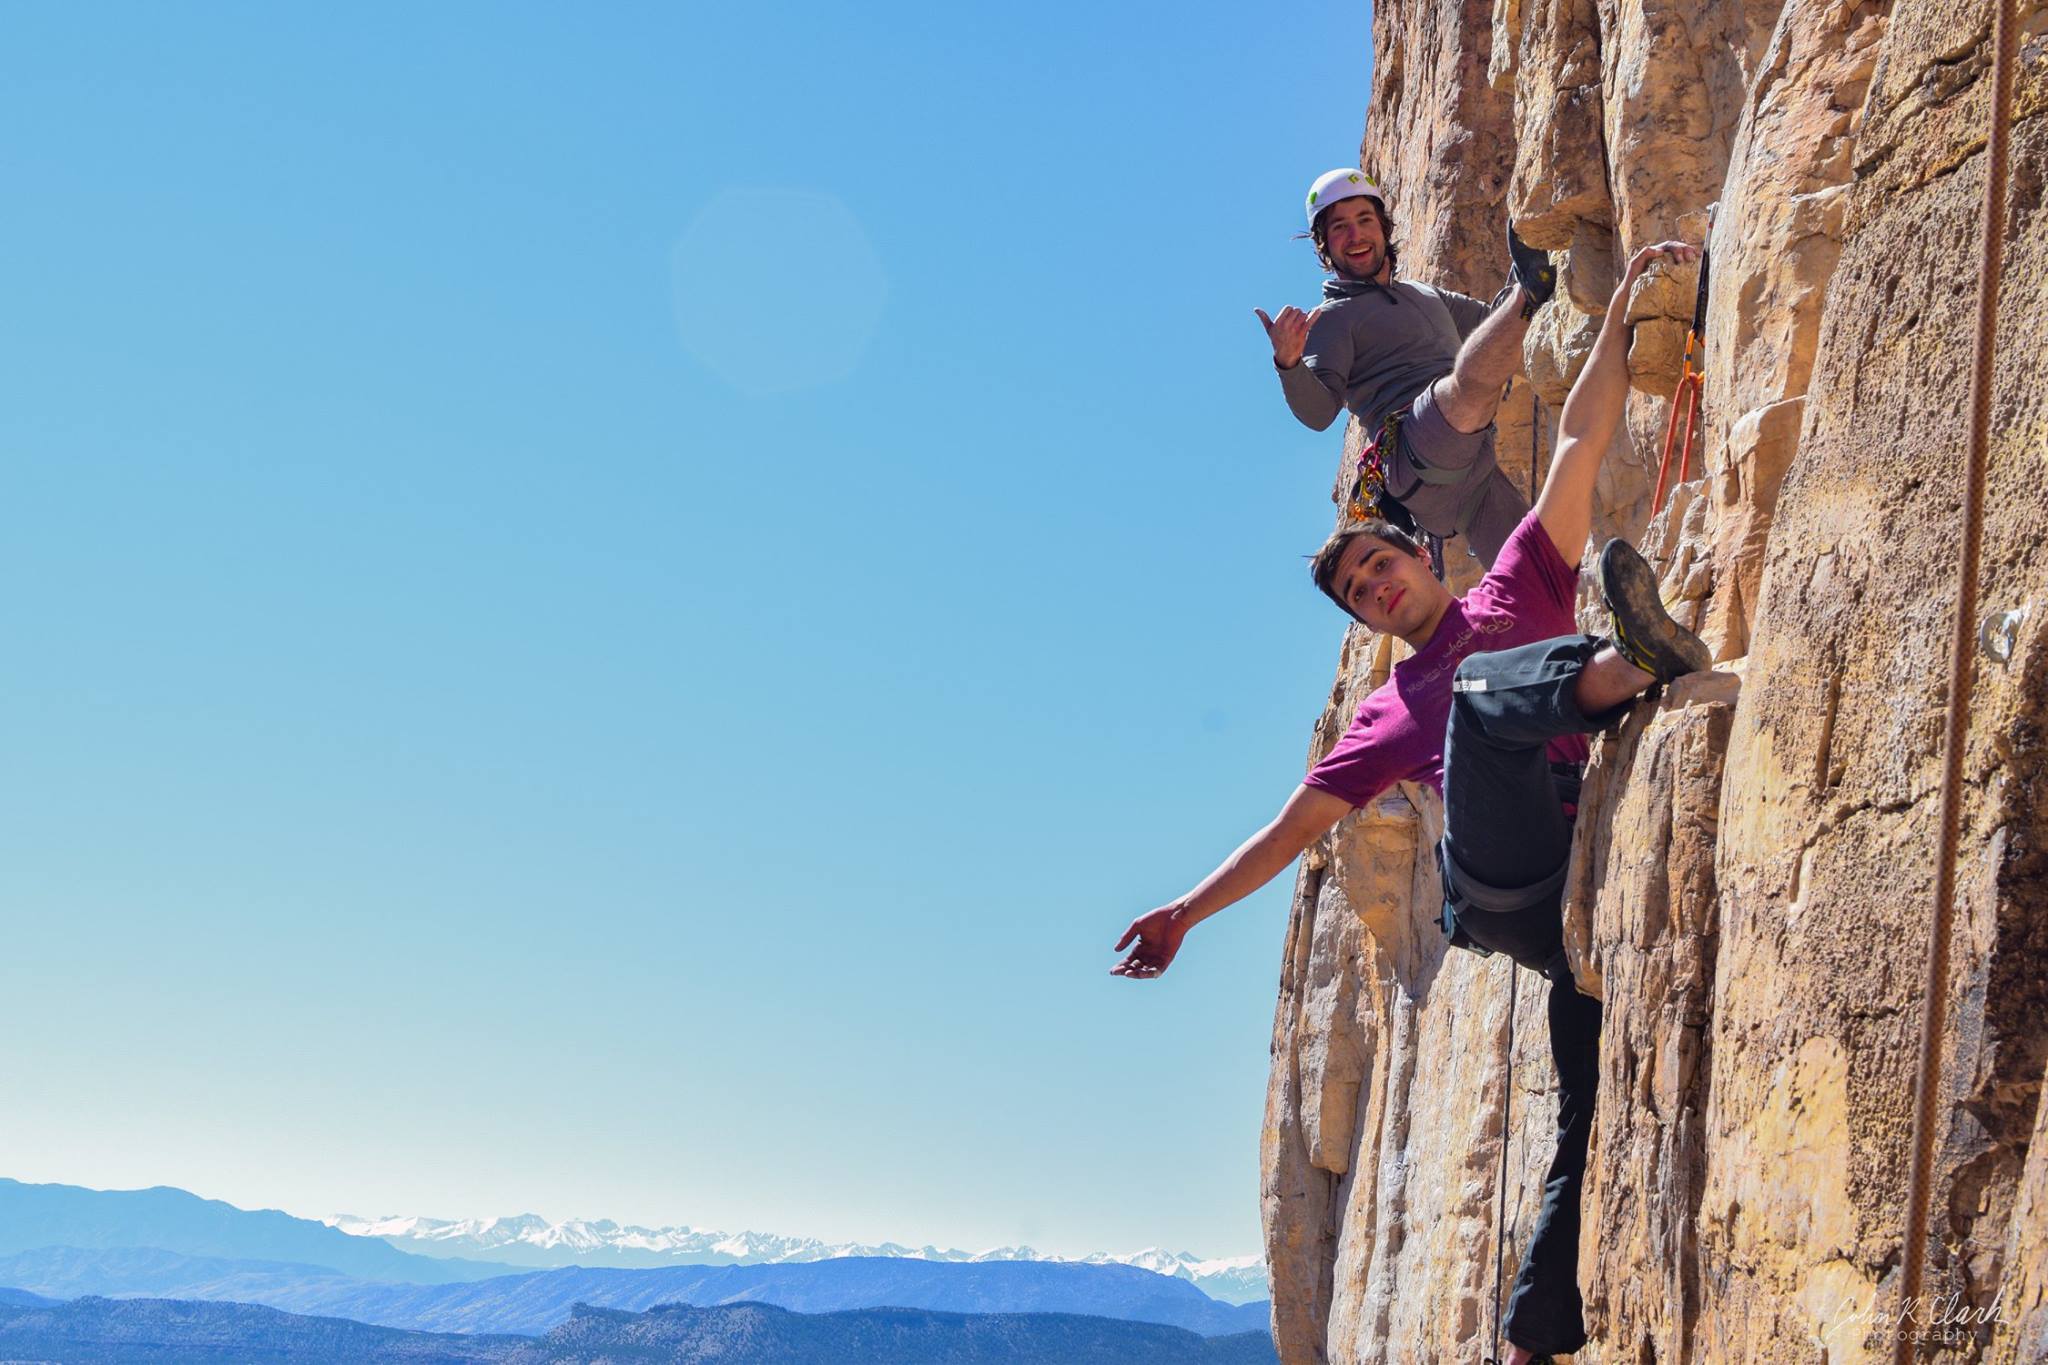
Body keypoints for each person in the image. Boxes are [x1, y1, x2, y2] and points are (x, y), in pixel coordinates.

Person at [1122, 239, 1711, 1365]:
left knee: (1582, 1113)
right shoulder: (1394, 708)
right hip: (1497, 883)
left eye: (1378, 568)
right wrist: (1182, 916)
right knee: (1484, 696)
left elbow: (1580, 444)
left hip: (1560, 901)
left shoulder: (1515, 580)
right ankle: (1627, 665)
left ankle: (1532, 1338)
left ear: (1417, 555)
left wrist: (1625, 301)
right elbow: (1288, 834)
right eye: (1357, 595)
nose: (1374, 588)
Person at [1255, 168, 1560, 569]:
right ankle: (1526, 290)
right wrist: (1289, 363)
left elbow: (1494, 328)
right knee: (1467, 384)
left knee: (1536, 570)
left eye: (1365, 220)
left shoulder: (1424, 294)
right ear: (1325, 246)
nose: (1356, 236)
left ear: (1383, 227)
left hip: (1470, 472)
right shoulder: (1332, 319)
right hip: (1413, 450)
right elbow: (1318, 414)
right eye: (1340, 228)